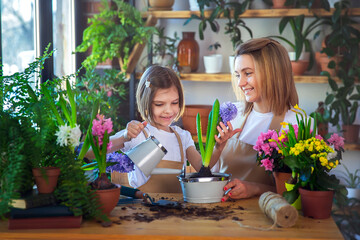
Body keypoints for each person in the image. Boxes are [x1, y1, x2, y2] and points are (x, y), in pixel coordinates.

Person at [87, 65, 213, 193]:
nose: (169, 110)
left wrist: (218, 147)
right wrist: (124, 137)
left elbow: (204, 169)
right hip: (142, 209)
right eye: (159, 104)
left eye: (174, 103)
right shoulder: (139, 134)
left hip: (176, 210)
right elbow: (90, 152)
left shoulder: (182, 137)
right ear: (145, 101)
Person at [211, 38, 300, 201]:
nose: (240, 83)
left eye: (248, 73)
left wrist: (255, 188)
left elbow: (299, 192)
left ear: (273, 72)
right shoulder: (234, 113)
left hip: (269, 218)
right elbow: (212, 171)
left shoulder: (296, 122)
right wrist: (217, 148)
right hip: (223, 215)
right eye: (238, 75)